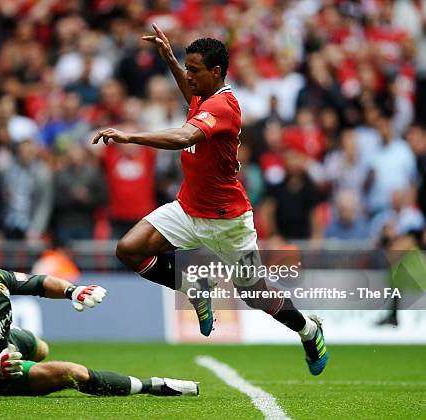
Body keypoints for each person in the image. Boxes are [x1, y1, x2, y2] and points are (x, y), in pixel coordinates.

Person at [92, 24, 328, 375]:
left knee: (255, 295)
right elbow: (190, 96)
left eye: (195, 71)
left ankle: (309, 330)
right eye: (186, 69)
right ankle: (194, 286)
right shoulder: (203, 96)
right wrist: (171, 60)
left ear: (216, 72)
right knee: (129, 249)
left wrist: (130, 135)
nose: (188, 76)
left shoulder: (224, 105)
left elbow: (184, 135)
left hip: (227, 221)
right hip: (188, 209)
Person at [0, 248, 199, 397]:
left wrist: (73, 291)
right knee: (73, 373)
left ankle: (28, 365)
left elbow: (40, 283)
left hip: (5, 340)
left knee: (41, 348)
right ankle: (152, 386)